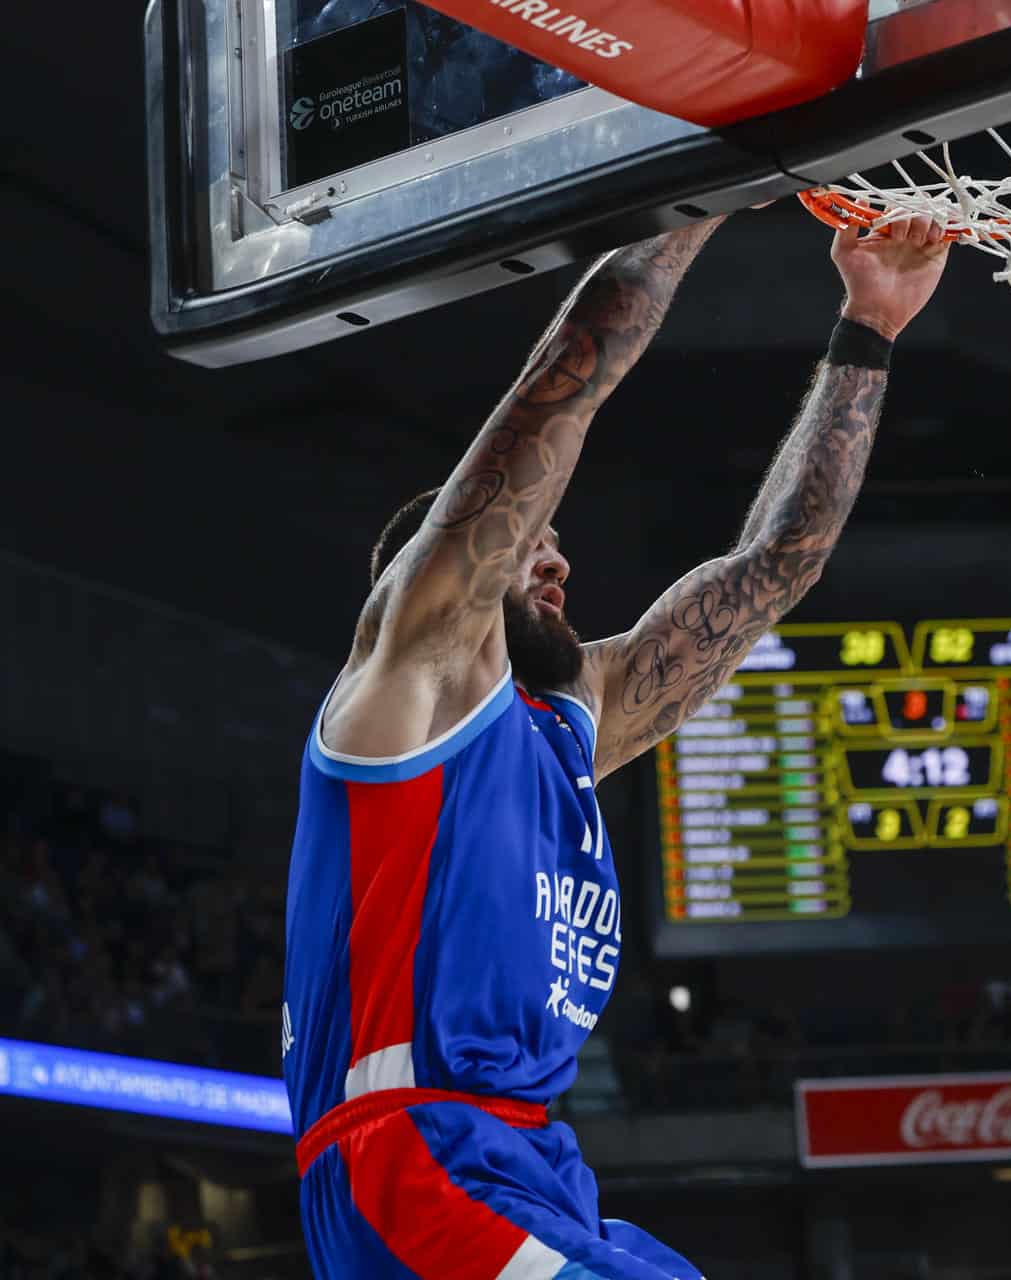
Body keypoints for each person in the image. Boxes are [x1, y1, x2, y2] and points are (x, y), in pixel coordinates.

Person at [282, 209, 951, 1277]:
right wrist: (696, 196)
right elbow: (565, 386)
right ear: (433, 576)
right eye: (528, 546)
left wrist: (870, 325)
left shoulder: (571, 723)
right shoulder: (413, 679)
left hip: (535, 1164)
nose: (555, 564)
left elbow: (778, 564)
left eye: (556, 549)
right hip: (410, 1155)